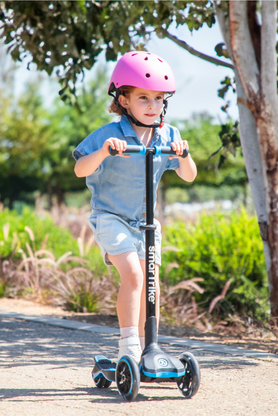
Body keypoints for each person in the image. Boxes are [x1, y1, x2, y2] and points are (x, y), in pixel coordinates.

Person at [72, 51, 197, 363]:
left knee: (150, 280)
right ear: (123, 99)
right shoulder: (109, 135)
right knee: (134, 276)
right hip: (111, 218)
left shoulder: (169, 135)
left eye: (158, 99)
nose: (153, 106)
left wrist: (183, 155)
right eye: (144, 98)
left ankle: (147, 347)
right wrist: (103, 152)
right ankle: (128, 346)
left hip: (145, 222)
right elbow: (80, 169)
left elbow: (189, 176)